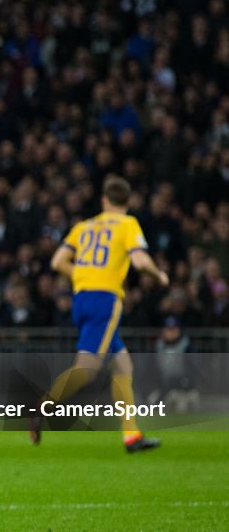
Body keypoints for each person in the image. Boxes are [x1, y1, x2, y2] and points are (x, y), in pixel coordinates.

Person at [31, 175, 170, 452]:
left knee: (122, 366)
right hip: (105, 300)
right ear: (128, 202)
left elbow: (58, 262)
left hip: (81, 297)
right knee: (87, 369)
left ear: (104, 200)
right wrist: (160, 276)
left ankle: (131, 436)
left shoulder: (84, 226)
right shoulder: (128, 224)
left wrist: (84, 277)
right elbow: (140, 261)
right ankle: (42, 407)